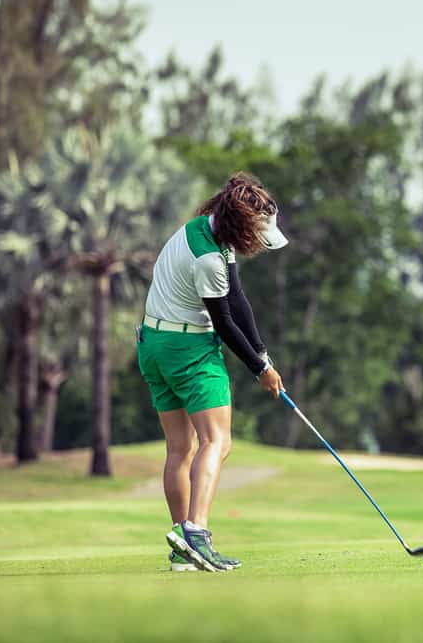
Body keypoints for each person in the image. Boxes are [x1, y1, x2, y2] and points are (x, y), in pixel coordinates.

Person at [136, 171, 286, 572]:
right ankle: (197, 534)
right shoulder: (207, 260)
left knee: (180, 450)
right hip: (190, 351)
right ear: (242, 226)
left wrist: (263, 355)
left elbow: (238, 299)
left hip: (153, 345)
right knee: (217, 441)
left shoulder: (205, 230)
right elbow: (224, 323)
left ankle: (181, 548)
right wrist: (260, 370)